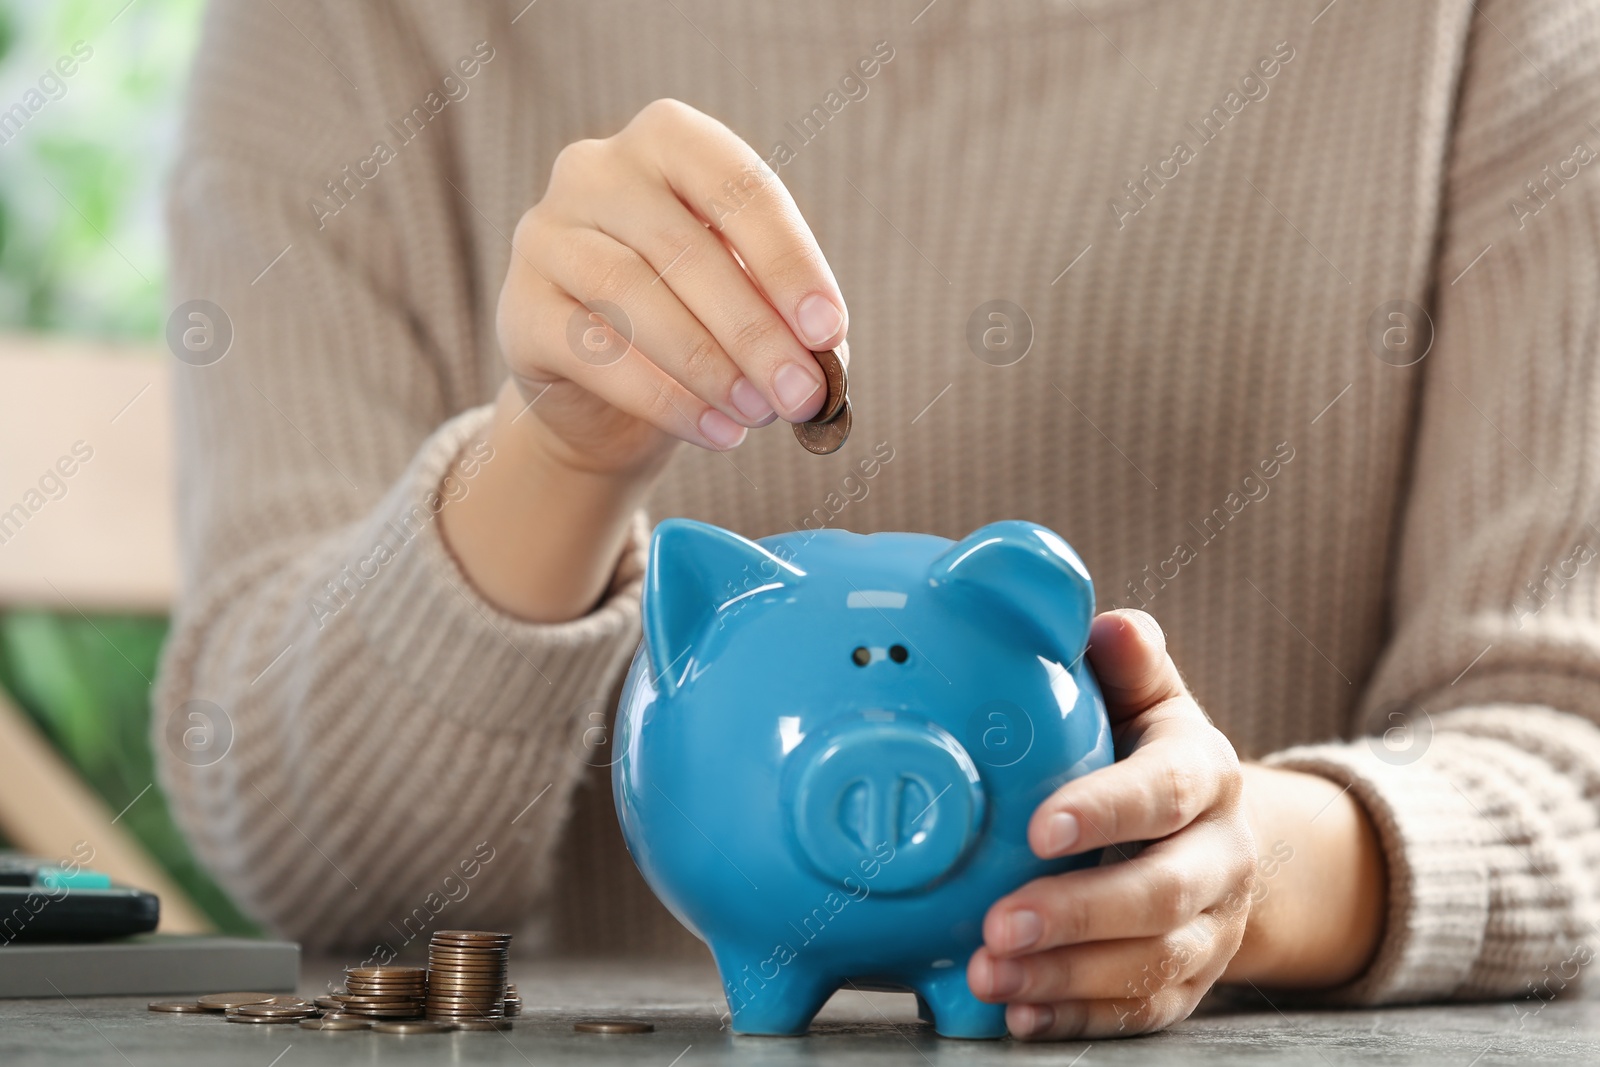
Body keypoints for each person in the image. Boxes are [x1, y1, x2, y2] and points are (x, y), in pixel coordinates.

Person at [155, 0, 1600, 1040]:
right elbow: (318, 862)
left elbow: (1565, 753)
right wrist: (564, 453)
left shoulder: (1484, 28)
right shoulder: (349, 29)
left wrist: (1249, 872)